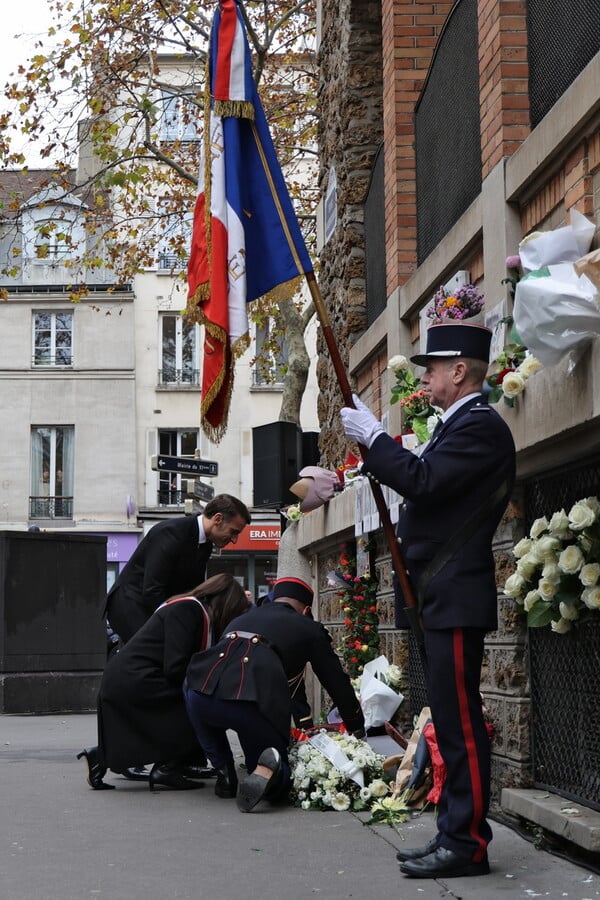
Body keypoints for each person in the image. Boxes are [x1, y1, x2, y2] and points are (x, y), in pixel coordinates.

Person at [340, 322, 516, 879]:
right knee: (447, 715)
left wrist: (375, 439)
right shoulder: (457, 426)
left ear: (460, 370)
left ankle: (467, 844)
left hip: (455, 595)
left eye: (433, 367)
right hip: (443, 594)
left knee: (460, 722)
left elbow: (422, 481)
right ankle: (453, 831)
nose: (427, 377)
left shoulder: (480, 427)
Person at [183, 576, 365, 811]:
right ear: (306, 610)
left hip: (199, 691)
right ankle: (268, 774)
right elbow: (336, 682)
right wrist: (355, 725)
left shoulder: (240, 619)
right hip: (251, 701)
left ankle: (224, 774)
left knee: (203, 710)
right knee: (273, 766)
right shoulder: (308, 628)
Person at [78, 574, 250, 792]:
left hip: (129, 676)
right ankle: (167, 768)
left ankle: (100, 758)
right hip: (135, 678)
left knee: (174, 717)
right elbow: (176, 666)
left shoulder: (184, 607)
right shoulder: (189, 611)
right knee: (198, 710)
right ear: (226, 605)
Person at [105, 494, 251, 644]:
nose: (234, 540)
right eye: (234, 532)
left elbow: (192, 589)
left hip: (150, 605)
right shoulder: (171, 532)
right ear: (218, 519)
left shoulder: (205, 544)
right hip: (132, 605)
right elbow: (152, 589)